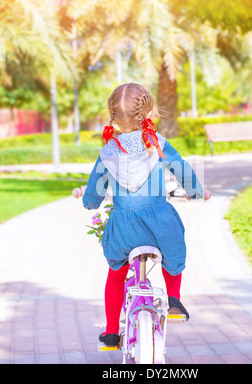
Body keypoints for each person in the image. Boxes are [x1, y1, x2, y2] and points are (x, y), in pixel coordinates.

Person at [73, 83, 211, 347]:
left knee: (116, 272)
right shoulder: (157, 143)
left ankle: (112, 331)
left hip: (124, 228)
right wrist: (196, 192)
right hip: (160, 225)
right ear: (147, 112)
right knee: (172, 252)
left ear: (112, 115)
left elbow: (94, 190)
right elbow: (181, 169)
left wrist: (89, 202)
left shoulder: (108, 152)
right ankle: (174, 300)